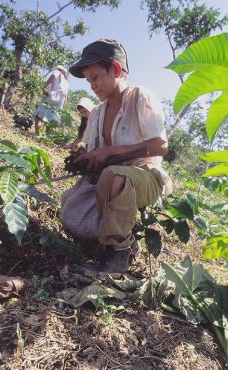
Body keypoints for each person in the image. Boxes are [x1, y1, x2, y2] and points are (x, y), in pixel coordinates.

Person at [61, 39, 172, 273]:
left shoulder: (140, 96)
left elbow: (160, 145)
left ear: (116, 70)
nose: (92, 86)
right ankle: (103, 245)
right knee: (70, 207)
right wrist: (84, 157)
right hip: (107, 180)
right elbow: (93, 149)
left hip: (146, 177)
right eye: (89, 80)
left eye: (95, 77)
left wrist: (110, 152)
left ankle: (117, 256)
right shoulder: (98, 112)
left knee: (114, 176)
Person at [34, 65, 69, 136]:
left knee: (38, 117)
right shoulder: (66, 83)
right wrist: (63, 107)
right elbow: (65, 97)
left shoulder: (57, 73)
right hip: (59, 103)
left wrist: (44, 87)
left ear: (60, 70)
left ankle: (37, 134)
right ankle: (47, 136)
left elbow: (53, 76)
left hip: (49, 98)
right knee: (51, 119)